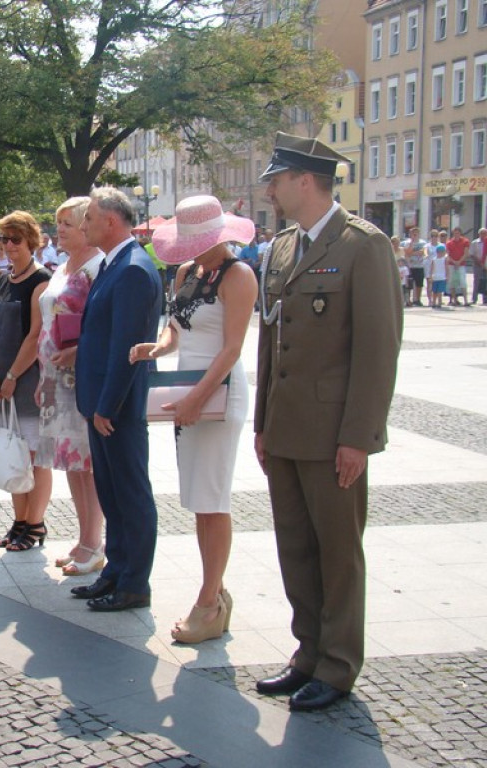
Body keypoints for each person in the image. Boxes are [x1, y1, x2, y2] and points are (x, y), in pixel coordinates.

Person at [254, 132, 402, 711]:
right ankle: (307, 652)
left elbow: (377, 350)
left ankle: (338, 666)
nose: (271, 188)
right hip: (287, 428)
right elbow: (271, 342)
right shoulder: (283, 247)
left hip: (332, 432)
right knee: (296, 545)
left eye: (277, 179)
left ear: (305, 181)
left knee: (338, 552)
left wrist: (358, 439)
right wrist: (264, 423)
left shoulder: (364, 246)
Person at [131, 195, 257, 643]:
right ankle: (214, 593)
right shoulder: (187, 273)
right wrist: (158, 348)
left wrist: (198, 399)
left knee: (213, 499)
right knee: (200, 500)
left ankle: (208, 603)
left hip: (218, 395)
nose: (190, 249)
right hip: (191, 392)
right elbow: (176, 326)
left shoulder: (238, 276)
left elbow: (232, 349)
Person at [71, 187, 163, 612]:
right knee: (111, 491)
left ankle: (134, 583)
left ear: (111, 221)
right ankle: (115, 572)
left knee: (129, 493)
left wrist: (107, 405)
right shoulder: (114, 264)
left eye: (88, 216)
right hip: (102, 405)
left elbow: (128, 347)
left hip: (118, 409)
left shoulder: (132, 269)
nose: (83, 224)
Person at [34, 197, 105, 575]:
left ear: (86, 226)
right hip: (56, 378)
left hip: (80, 376)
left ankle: (95, 542)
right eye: (57, 222)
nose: (59, 229)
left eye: (67, 222)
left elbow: (100, 325)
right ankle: (85, 536)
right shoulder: (64, 266)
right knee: (72, 464)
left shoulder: (97, 267)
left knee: (87, 463)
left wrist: (78, 351)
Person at [0, 211, 53, 552]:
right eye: (4, 239)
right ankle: (20, 520)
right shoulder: (2, 278)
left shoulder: (40, 280)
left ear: (31, 241)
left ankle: (35, 522)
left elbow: (36, 335)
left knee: (34, 454)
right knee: (11, 449)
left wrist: (13, 375)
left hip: (26, 380)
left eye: (16, 240)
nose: (9, 246)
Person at [445, 227, 469, 307]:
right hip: (451, 264)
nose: (456, 235)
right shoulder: (449, 242)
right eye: (455, 233)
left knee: (463, 282)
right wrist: (454, 262)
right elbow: (448, 254)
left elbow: (466, 253)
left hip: (461, 265)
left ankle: (466, 301)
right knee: (452, 282)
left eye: (458, 233)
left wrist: (459, 262)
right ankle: (454, 300)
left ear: (460, 233)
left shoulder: (465, 241)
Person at [403, 227, 427, 306]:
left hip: (420, 266)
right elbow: (407, 253)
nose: (415, 234)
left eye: (416, 233)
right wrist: (414, 250)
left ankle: (417, 299)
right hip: (410, 266)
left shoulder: (423, 243)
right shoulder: (407, 243)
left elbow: (424, 253)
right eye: (413, 233)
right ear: (410, 234)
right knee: (409, 284)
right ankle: (408, 300)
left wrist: (413, 252)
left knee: (419, 284)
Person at [470, 228, 487, 305]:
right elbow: (472, 254)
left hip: (486, 265)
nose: (483, 235)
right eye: (482, 233)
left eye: (485, 233)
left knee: (485, 282)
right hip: (477, 265)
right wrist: (479, 262)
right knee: (476, 282)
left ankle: (485, 299)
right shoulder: (475, 242)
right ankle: (474, 298)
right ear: (479, 234)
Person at [427, 243, 447, 309]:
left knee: (439, 291)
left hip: (442, 277)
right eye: (439, 252)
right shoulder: (434, 259)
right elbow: (431, 268)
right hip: (435, 277)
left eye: (442, 252)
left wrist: (447, 276)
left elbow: (446, 268)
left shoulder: (445, 259)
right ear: (437, 252)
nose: (441, 253)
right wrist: (430, 276)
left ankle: (439, 302)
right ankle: (434, 302)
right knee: (434, 291)